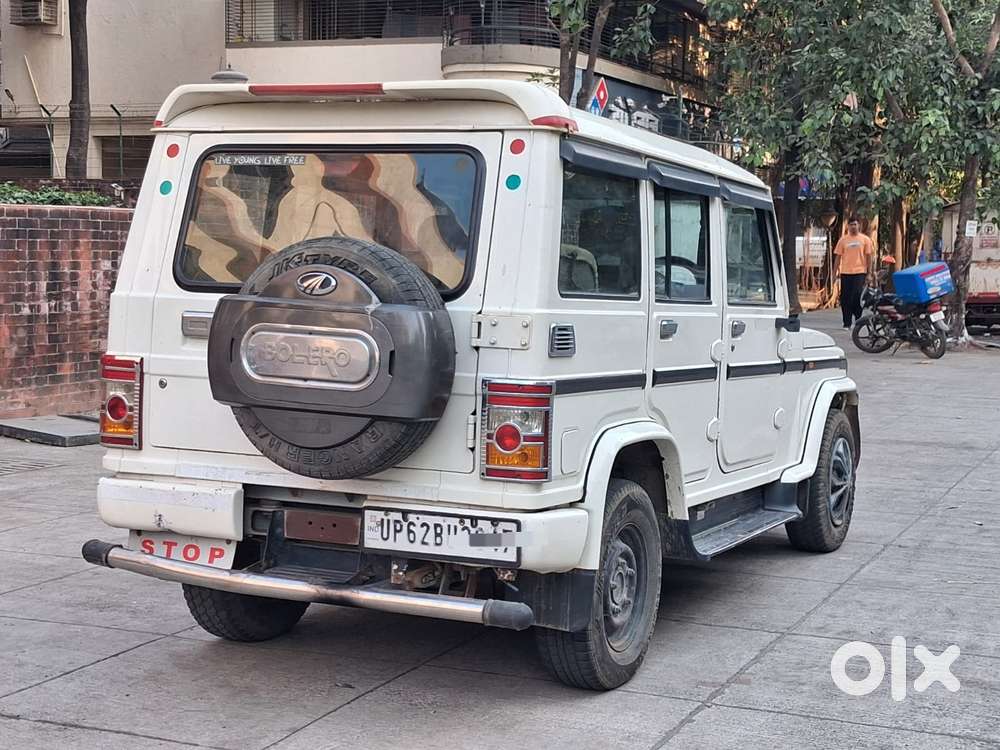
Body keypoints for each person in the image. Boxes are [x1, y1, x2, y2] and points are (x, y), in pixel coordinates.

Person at [833, 216, 875, 327]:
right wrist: (834, 273)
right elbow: (838, 257)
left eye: (855, 224)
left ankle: (858, 319)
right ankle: (846, 322)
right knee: (845, 298)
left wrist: (869, 273)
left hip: (860, 272)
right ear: (848, 226)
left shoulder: (865, 240)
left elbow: (869, 256)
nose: (853, 227)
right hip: (846, 272)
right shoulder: (843, 240)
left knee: (857, 296)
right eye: (851, 225)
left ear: (859, 226)